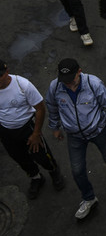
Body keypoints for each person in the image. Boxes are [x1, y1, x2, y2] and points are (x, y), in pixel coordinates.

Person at [45, 58, 106, 220]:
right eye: (64, 80)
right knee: (77, 170)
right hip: (74, 136)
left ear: (79, 72)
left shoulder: (94, 84)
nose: (68, 84)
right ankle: (89, 198)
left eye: (71, 79)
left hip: (99, 131)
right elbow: (52, 107)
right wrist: (55, 127)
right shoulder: (55, 87)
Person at [0, 59, 64, 199]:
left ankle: (54, 171)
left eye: (0, 76)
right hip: (5, 131)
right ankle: (36, 178)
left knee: (42, 155)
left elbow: (40, 108)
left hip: (27, 128)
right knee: (19, 157)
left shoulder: (23, 85)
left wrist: (36, 133)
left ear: (7, 72)